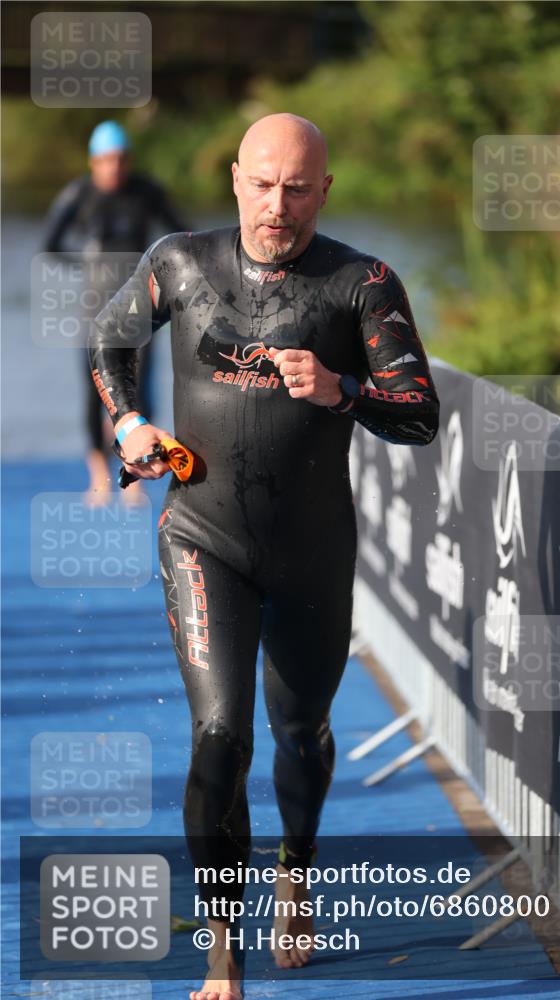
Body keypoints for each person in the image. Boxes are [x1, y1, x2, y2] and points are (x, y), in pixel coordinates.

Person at [89, 112, 440, 1000]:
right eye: (261, 183)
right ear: (236, 176)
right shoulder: (179, 262)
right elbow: (109, 339)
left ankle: (296, 869)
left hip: (312, 550)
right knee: (219, 736)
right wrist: (130, 421)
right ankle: (221, 949)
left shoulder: (361, 284)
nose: (275, 205)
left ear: (323, 189)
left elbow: (418, 414)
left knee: (299, 733)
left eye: (296, 188)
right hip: (201, 536)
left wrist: (342, 388)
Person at [43, 120, 186, 504]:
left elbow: (182, 236)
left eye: (121, 159)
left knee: (139, 388)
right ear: (93, 162)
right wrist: (86, 264)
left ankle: (134, 474)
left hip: (140, 307)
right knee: (95, 390)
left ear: (129, 160)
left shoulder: (146, 193)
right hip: (95, 303)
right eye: (107, 160)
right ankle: (97, 473)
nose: (114, 168)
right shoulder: (79, 194)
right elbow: (50, 243)